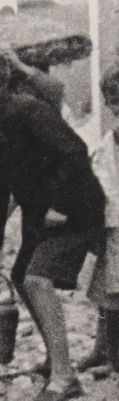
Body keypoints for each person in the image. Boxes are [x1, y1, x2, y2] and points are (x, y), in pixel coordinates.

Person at [0, 48, 104, 401]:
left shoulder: (28, 110)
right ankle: (57, 359)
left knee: (37, 279)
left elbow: (75, 152)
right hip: (43, 216)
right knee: (22, 277)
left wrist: (60, 206)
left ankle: (65, 379)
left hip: (75, 211)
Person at [86, 64, 119, 372]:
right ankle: (105, 351)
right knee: (107, 291)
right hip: (113, 226)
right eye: (114, 100)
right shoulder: (106, 146)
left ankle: (113, 357)